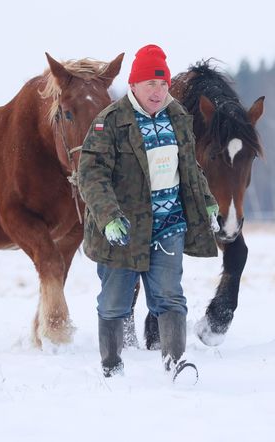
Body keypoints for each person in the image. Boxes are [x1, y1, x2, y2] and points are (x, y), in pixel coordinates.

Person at [78, 44, 220, 382]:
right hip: (123, 229)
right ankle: (111, 366)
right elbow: (91, 174)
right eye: (150, 84)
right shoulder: (110, 122)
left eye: (163, 85)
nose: (158, 92)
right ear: (135, 85)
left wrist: (207, 200)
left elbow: (190, 168)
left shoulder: (178, 118)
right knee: (114, 302)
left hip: (168, 224)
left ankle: (175, 362)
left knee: (170, 296)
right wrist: (109, 216)